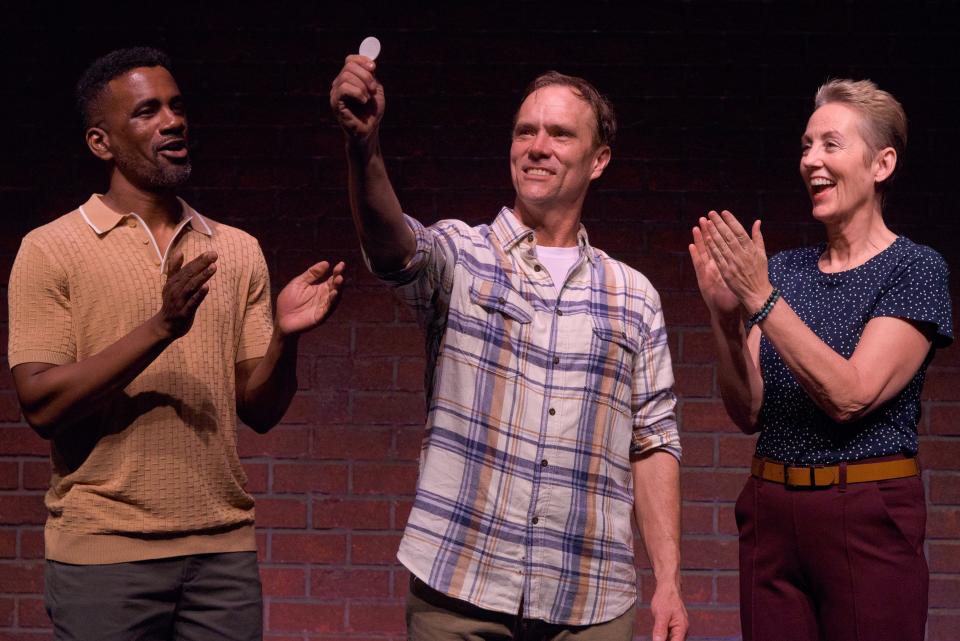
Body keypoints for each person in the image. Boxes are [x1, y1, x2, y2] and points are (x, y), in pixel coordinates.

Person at [330, 54, 688, 641]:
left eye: (560, 133)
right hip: (460, 590)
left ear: (598, 161)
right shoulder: (463, 255)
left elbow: (652, 443)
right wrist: (363, 149)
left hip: (590, 601)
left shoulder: (633, 296)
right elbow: (394, 247)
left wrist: (669, 580)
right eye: (527, 131)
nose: (538, 145)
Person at [7, 47, 344, 641]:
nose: (172, 121)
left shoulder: (235, 248)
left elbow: (260, 411)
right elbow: (41, 405)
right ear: (100, 143)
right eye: (147, 111)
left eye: (177, 106)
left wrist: (285, 341)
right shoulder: (52, 248)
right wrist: (161, 327)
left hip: (223, 557)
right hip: (103, 557)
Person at [689, 78, 952, 641]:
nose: (811, 160)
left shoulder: (915, 270)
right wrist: (726, 318)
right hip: (771, 511)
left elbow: (850, 394)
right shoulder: (784, 271)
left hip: (864, 513)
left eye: (831, 144)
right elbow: (749, 410)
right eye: (806, 146)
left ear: (882, 164)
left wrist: (760, 300)